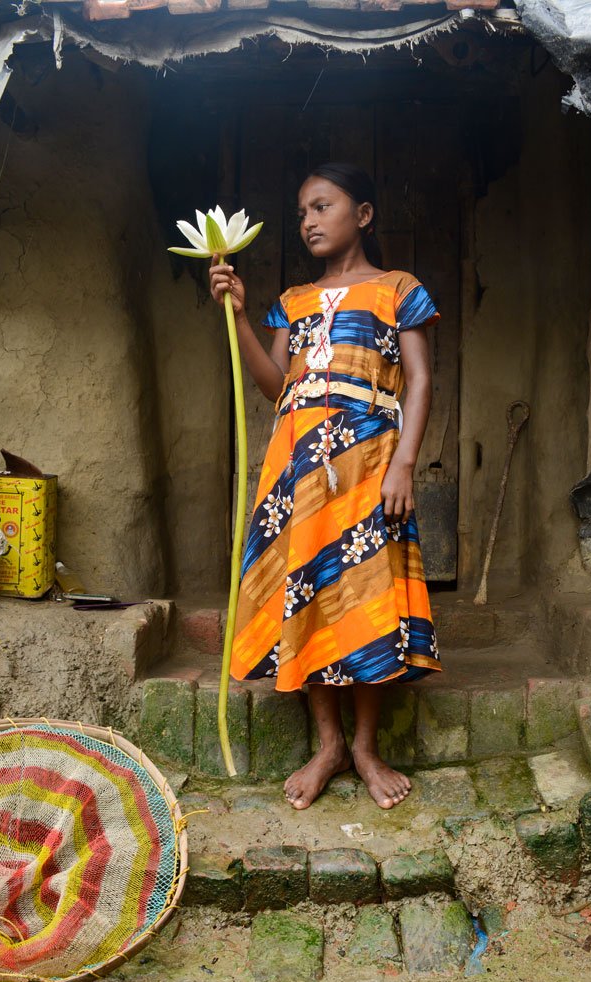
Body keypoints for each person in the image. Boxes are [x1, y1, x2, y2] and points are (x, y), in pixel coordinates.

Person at [209, 163, 440, 811]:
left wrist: (404, 464)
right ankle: (329, 743)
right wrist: (235, 314)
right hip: (297, 468)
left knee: (363, 595)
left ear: (361, 214)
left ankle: (365, 747)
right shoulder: (292, 300)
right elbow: (271, 385)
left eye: (321, 206)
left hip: (368, 464)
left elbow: (420, 382)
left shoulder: (398, 289)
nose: (308, 220)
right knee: (308, 592)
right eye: (301, 212)